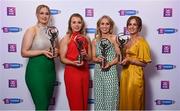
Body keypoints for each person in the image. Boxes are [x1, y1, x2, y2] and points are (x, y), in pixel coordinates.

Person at [21, 4, 59, 110]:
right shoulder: (32, 30)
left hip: (50, 71)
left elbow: (58, 49)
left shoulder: (53, 31)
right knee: (41, 106)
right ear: (37, 15)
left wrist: (56, 52)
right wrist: (42, 51)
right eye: (41, 13)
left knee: (45, 106)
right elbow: (24, 52)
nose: (44, 16)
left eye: (47, 13)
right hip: (36, 71)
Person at [59, 13, 91, 110]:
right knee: (75, 102)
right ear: (70, 24)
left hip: (84, 72)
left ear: (82, 24)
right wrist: (73, 63)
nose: (76, 25)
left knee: (84, 101)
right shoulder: (66, 38)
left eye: (79, 22)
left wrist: (85, 55)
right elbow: (62, 58)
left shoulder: (86, 38)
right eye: (74, 22)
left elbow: (90, 58)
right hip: (72, 72)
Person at [119, 16, 151, 110]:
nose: (131, 26)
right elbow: (124, 57)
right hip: (125, 75)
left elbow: (145, 63)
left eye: (134, 24)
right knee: (125, 101)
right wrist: (123, 60)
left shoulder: (142, 42)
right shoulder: (126, 41)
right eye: (129, 24)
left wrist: (130, 60)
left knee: (135, 102)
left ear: (139, 27)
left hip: (135, 76)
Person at [92, 15, 121, 110]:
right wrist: (97, 59)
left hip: (110, 72)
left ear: (111, 26)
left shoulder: (114, 38)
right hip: (98, 73)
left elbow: (119, 57)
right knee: (99, 101)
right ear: (99, 26)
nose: (104, 26)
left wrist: (109, 63)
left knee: (110, 101)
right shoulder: (95, 40)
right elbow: (93, 57)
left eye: (107, 24)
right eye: (102, 24)